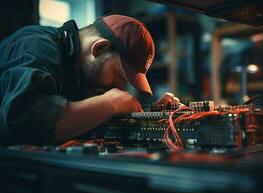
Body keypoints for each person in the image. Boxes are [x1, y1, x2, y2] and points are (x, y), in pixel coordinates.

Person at [0, 14, 180, 145]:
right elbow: (22, 120)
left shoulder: (79, 77)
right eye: (119, 75)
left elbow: (81, 119)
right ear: (100, 49)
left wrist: (154, 116)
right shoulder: (36, 45)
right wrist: (111, 103)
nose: (120, 86)